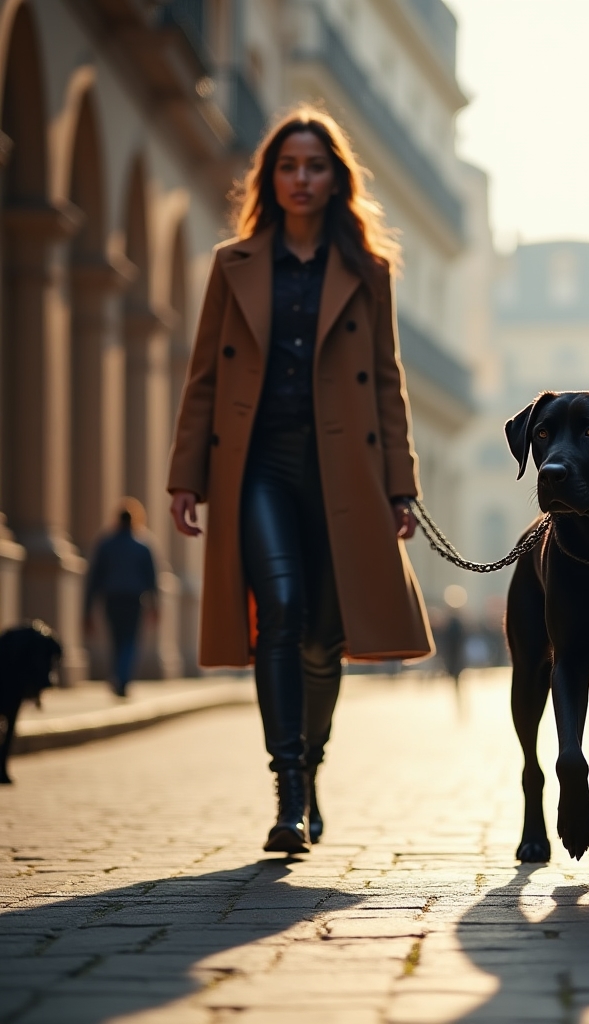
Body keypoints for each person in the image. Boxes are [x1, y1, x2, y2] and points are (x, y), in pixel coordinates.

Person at [167, 106, 433, 855]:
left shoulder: (367, 272)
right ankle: (287, 790)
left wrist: (399, 484)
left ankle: (311, 769)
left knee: (323, 633)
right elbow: (202, 380)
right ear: (270, 178)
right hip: (259, 464)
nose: (301, 179)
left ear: (336, 178)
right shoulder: (234, 264)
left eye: (315, 166)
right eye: (288, 166)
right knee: (278, 609)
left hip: (342, 468)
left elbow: (387, 381)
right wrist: (187, 474)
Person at [84, 503, 158, 697]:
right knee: (129, 640)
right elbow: (152, 579)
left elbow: (94, 578)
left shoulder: (106, 544)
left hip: (112, 598)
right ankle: (122, 677)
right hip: (134, 599)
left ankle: (118, 675)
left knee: (116, 639)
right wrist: (155, 606)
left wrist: (87, 609)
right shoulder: (142, 546)